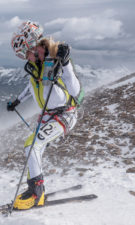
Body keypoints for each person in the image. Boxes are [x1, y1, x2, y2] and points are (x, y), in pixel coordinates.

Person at [7, 20, 82, 210]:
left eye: (26, 52)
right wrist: (17, 101)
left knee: (33, 146)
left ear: (33, 47)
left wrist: (65, 64)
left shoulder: (56, 59)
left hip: (64, 114)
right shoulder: (37, 67)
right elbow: (31, 86)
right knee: (31, 147)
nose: (25, 57)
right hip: (48, 115)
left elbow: (75, 89)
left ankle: (36, 194)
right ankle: (34, 187)